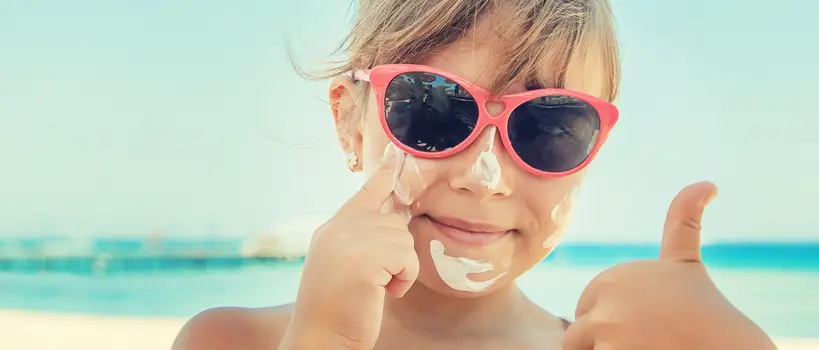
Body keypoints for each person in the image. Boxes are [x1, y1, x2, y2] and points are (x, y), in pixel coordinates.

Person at [172, 0, 776, 349]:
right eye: (433, 108)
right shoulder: (230, 343)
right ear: (350, 124)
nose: (485, 176)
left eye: (549, 125)